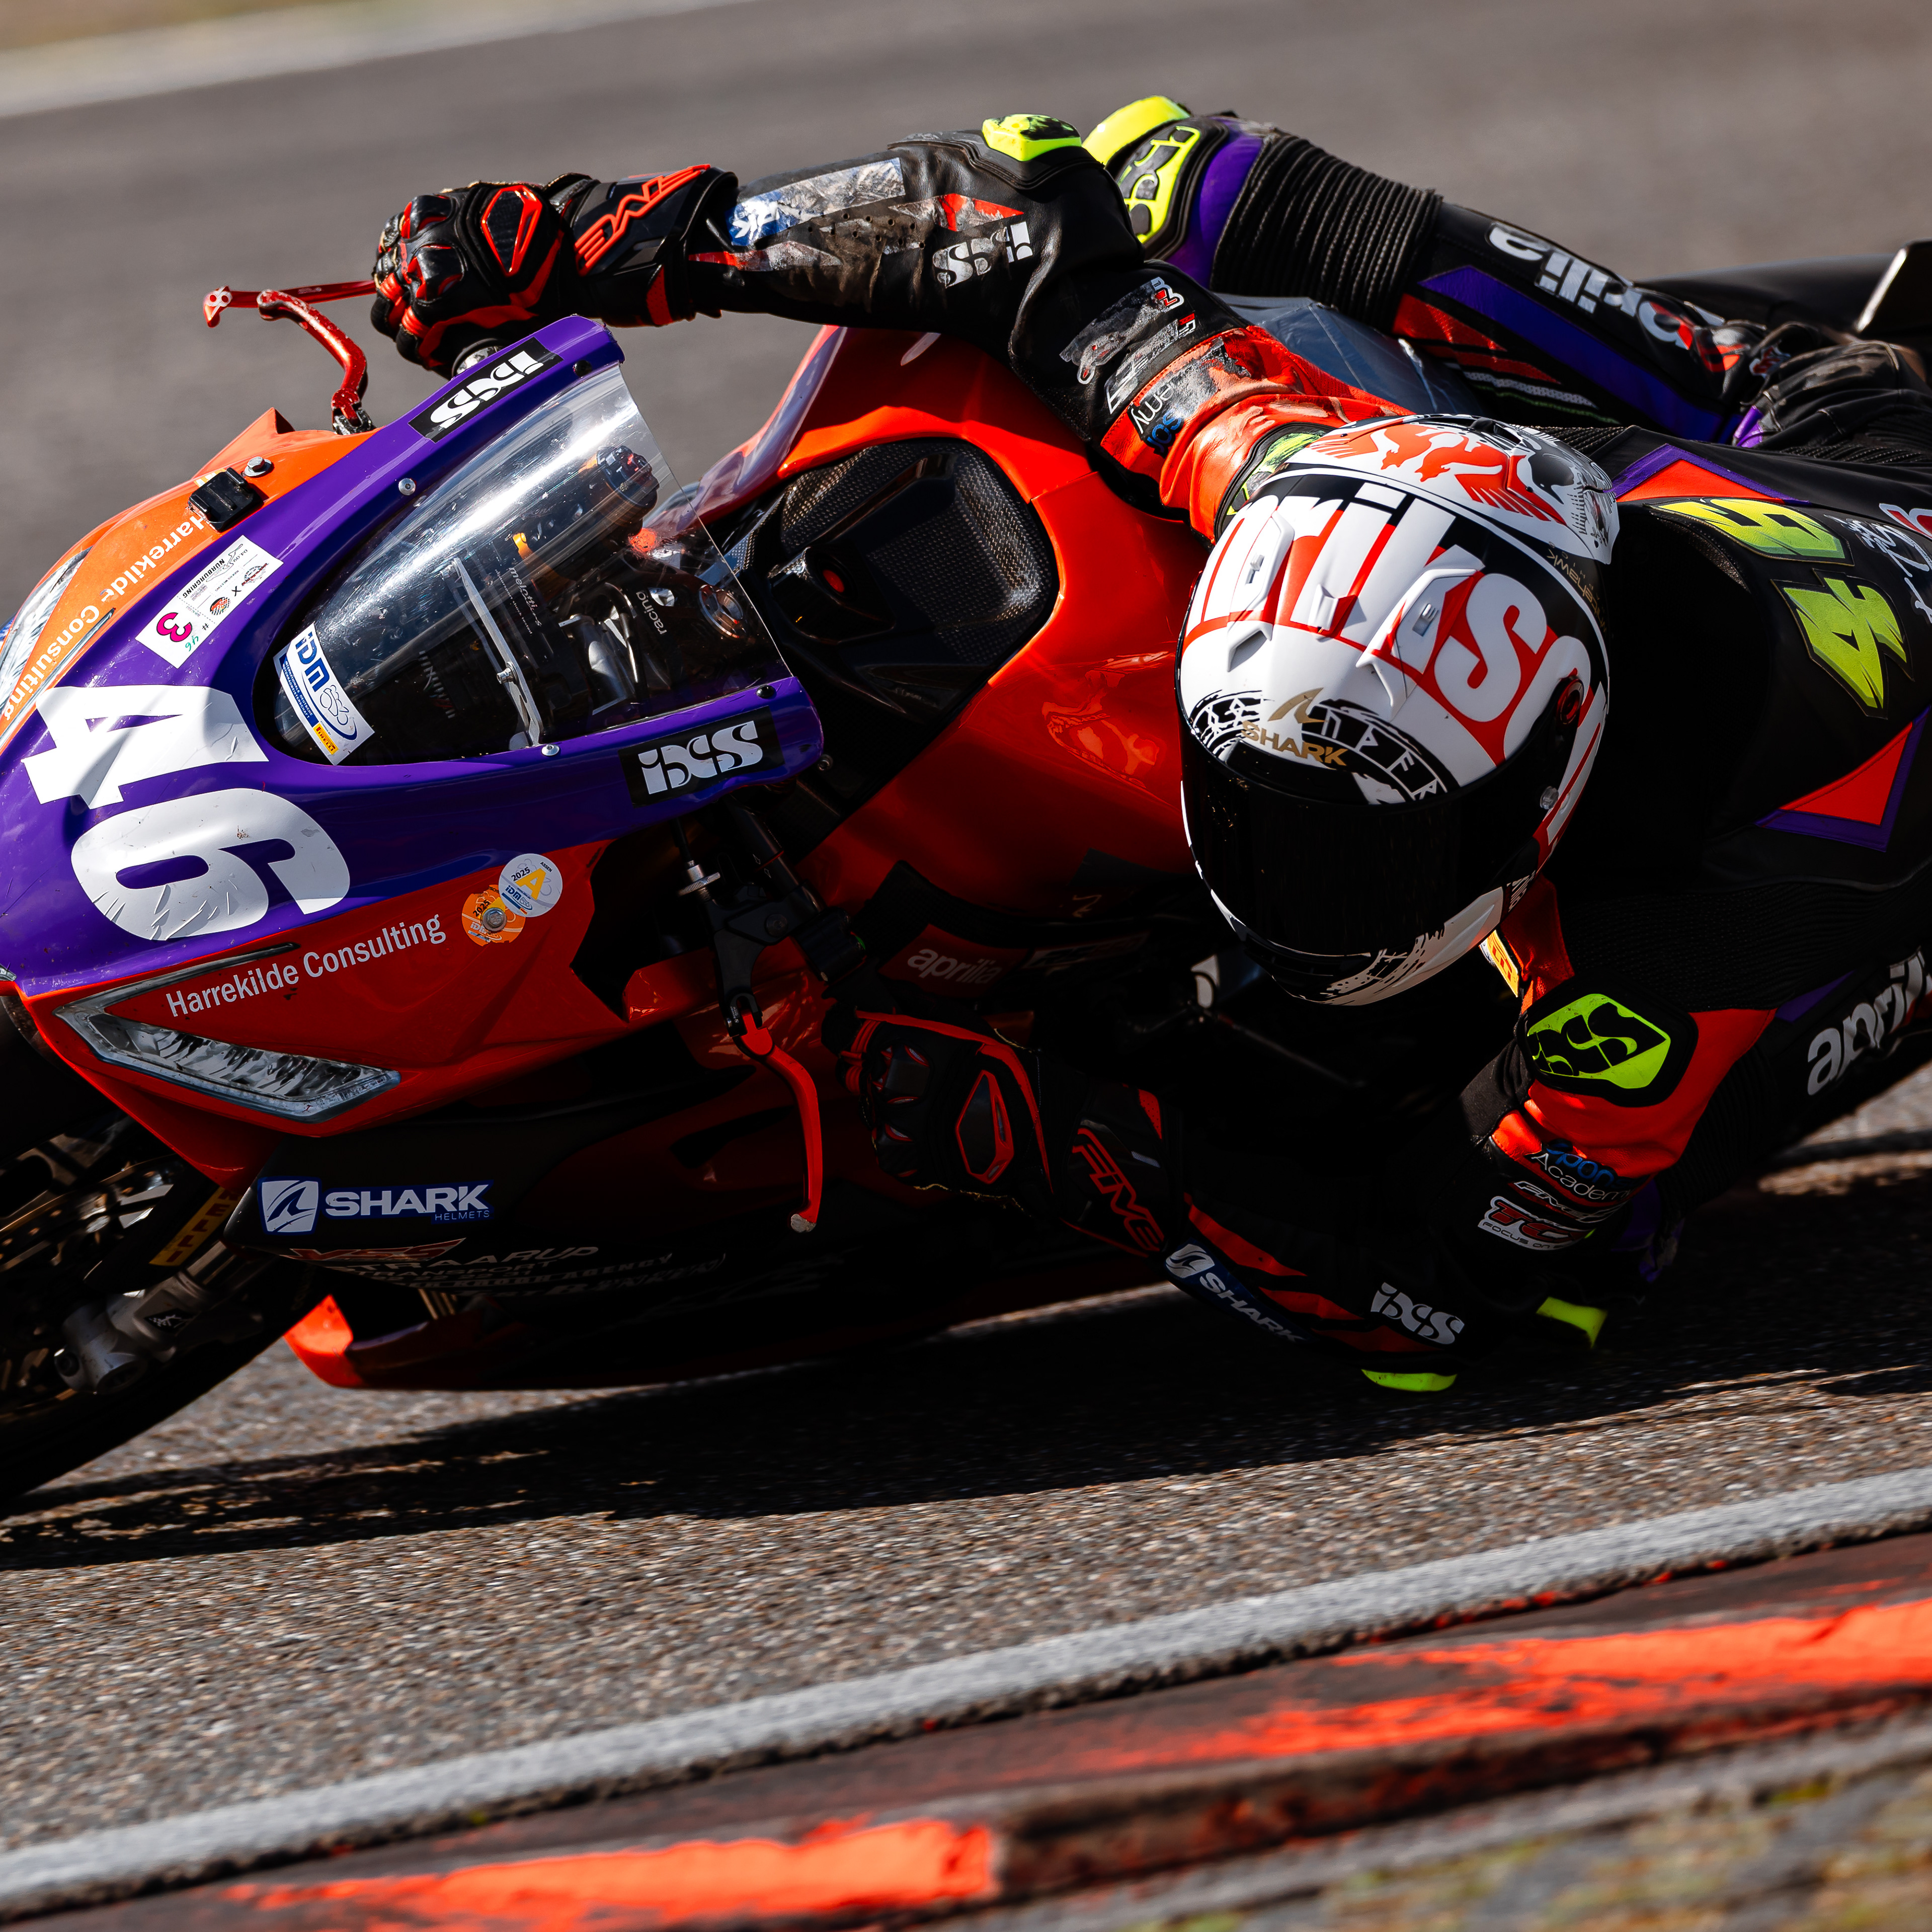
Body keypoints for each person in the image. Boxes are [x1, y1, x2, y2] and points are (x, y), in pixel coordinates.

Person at [368, 105, 1932, 1390]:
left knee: (1556, 1243)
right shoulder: (1264, 455)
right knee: (1189, 179)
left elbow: (1463, 1299)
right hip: (1727, 480)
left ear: (1542, 793)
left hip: (1851, 516)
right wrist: (608, 240)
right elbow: (1010, 216)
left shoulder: (1668, 959)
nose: (1291, 892)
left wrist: (1026, 1126)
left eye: (1369, 858)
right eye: (1261, 816)